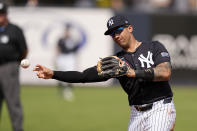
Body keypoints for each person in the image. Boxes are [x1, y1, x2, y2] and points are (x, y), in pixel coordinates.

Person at [33, 15, 176, 131]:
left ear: (130, 28)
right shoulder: (116, 62)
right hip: (136, 114)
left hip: (160, 108)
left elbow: (165, 72)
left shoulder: (154, 47)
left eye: (119, 30)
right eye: (112, 34)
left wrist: (134, 73)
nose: (116, 35)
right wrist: (53, 74)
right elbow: (83, 76)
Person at [0, 2, 28, 131]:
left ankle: (17, 129)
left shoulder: (15, 30)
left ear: (6, 14)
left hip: (9, 67)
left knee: (12, 102)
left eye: (1, 14)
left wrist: (17, 63)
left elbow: (24, 50)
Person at [55, 24, 80, 101]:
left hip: (70, 57)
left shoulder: (73, 40)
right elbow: (58, 49)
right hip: (62, 57)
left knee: (70, 74)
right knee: (60, 75)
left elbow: (76, 50)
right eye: (66, 31)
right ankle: (61, 91)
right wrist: (56, 58)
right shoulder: (61, 40)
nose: (67, 32)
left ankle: (68, 91)